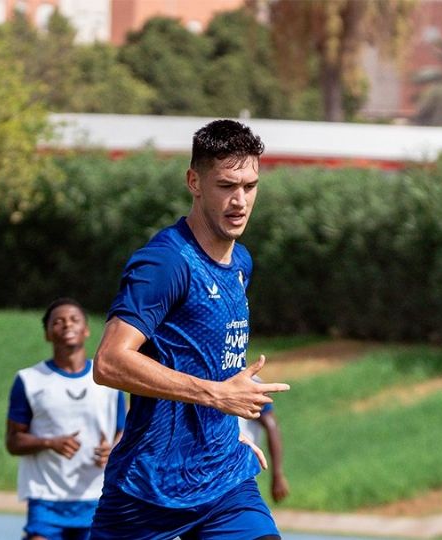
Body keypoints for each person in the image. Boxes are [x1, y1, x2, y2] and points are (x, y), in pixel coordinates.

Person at [90, 119, 290, 540]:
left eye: (249, 186)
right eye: (225, 186)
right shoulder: (166, 263)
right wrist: (217, 396)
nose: (239, 201)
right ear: (194, 181)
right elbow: (109, 362)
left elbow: (212, 362)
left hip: (225, 485)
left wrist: (226, 433)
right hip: (149, 493)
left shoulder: (241, 264)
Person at [6, 297, 126, 540]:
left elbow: (123, 433)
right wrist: (50, 443)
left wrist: (112, 451)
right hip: (46, 498)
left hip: (97, 496)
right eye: (58, 322)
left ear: (86, 330)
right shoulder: (29, 380)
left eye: (74, 320)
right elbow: (13, 442)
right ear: (48, 334)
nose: (67, 325)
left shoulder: (108, 380)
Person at [239, 377, 290, 504]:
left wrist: (277, 475)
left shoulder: (251, 382)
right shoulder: (250, 380)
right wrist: (277, 474)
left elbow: (271, 425)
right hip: (242, 466)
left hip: (241, 466)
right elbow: (272, 425)